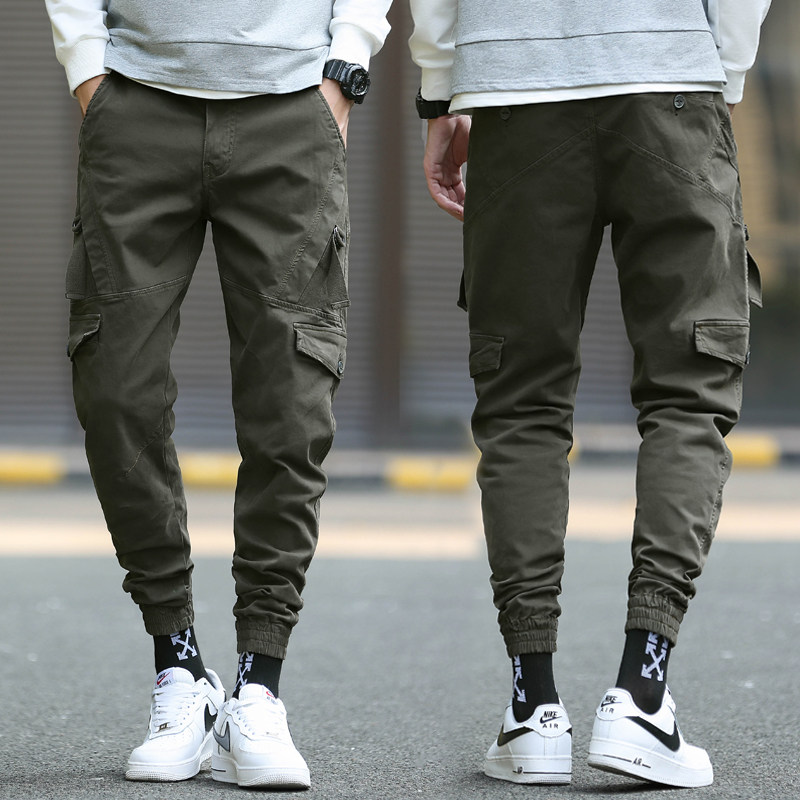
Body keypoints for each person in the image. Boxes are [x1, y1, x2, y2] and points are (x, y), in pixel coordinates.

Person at [410, 0, 771, 788]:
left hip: (515, 95)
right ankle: (642, 692)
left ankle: (532, 708)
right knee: (687, 393)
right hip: (671, 83)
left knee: (521, 404)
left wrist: (441, 90)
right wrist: (719, 69)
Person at [45, 0, 391, 788]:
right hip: (136, 103)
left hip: (291, 109)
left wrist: (344, 66)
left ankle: (258, 687)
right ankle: (179, 668)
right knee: (115, 390)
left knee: (291, 406)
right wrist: (88, 68)